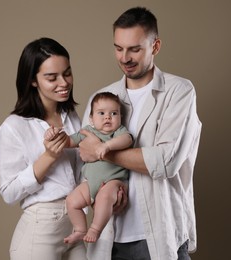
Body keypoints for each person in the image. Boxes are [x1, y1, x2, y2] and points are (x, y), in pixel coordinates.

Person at [79, 7, 202, 260]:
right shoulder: (100, 99)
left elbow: (166, 161)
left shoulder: (179, 92)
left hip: (158, 235)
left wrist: (102, 152)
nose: (125, 58)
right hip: (108, 237)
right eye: (118, 48)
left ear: (155, 46)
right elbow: (84, 163)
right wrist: (97, 197)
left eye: (135, 49)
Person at [0, 37, 87, 260]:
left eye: (67, 73)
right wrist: (49, 157)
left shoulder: (70, 116)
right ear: (33, 80)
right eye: (51, 77)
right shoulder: (13, 127)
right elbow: (9, 193)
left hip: (75, 224)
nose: (63, 83)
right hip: (41, 230)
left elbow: (82, 169)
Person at [44, 92, 133, 244]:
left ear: (120, 117)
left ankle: (95, 229)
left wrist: (107, 145)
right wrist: (53, 135)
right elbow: (68, 142)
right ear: (91, 119)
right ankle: (80, 229)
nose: (108, 117)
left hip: (114, 181)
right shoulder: (87, 132)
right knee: (72, 201)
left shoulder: (118, 133)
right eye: (101, 113)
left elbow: (128, 139)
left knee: (105, 198)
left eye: (114, 113)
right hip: (90, 182)